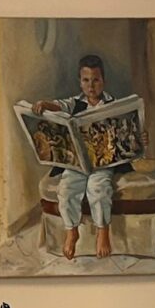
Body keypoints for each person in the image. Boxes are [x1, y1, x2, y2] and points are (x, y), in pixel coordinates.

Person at [33, 54, 126, 260]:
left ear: (103, 81)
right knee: (66, 189)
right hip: (78, 162)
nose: (91, 86)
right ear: (80, 82)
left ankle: (102, 231)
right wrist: (45, 104)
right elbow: (58, 106)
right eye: (86, 80)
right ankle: (71, 230)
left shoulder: (112, 104)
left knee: (98, 188)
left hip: (102, 162)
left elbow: (126, 131)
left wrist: (140, 137)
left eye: (96, 80)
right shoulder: (75, 103)